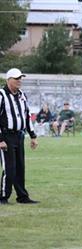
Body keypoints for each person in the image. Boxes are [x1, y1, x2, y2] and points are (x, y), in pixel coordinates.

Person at [0, 68, 39, 205]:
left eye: (20, 78)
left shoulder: (22, 95)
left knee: (20, 167)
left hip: (19, 135)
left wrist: (33, 135)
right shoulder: (1, 95)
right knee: (9, 168)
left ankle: (22, 196)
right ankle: (3, 197)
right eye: (16, 79)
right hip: (6, 135)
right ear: (8, 80)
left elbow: (26, 116)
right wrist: (0, 139)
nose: (19, 81)